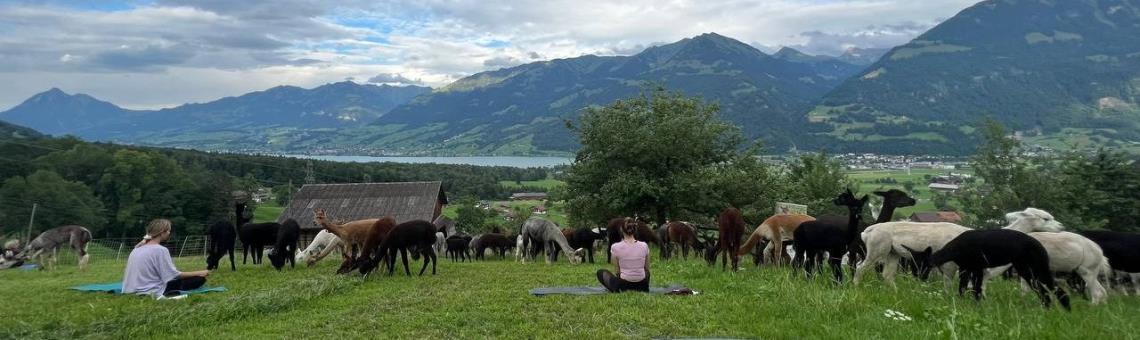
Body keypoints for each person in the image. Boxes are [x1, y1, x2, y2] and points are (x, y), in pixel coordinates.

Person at [122, 219, 210, 298]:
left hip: (129, 289)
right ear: (162, 232)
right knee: (200, 279)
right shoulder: (160, 250)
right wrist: (200, 272)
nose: (169, 233)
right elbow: (174, 275)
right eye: (168, 231)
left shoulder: (136, 249)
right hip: (150, 291)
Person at [596, 218, 650, 292]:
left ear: (621, 230)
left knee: (600, 272)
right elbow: (647, 268)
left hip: (624, 285)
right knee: (646, 272)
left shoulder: (615, 247)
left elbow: (617, 271)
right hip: (642, 285)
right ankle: (641, 287)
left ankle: (617, 288)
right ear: (635, 229)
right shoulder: (644, 245)